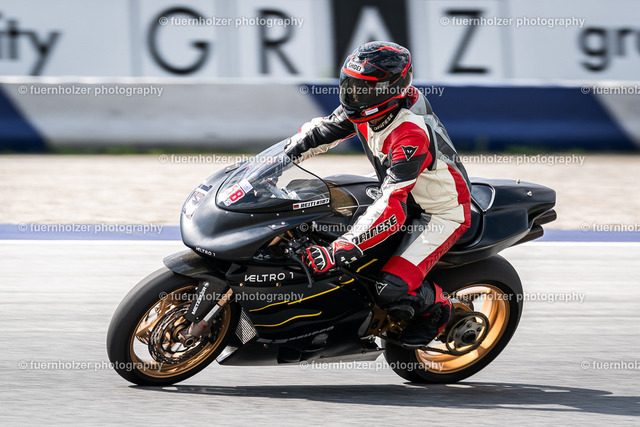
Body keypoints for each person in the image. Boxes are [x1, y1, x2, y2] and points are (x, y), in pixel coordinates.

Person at [285, 41, 471, 347]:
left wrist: (342, 247)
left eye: (363, 89)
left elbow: (392, 206)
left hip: (439, 212)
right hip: (398, 191)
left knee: (389, 288)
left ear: (390, 90)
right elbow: (320, 132)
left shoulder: (409, 133)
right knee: (311, 208)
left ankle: (440, 309)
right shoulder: (367, 108)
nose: (353, 95)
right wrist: (275, 160)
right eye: (350, 85)